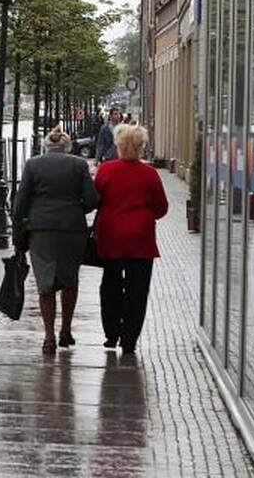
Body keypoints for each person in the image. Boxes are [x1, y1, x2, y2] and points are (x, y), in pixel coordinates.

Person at [12, 129, 100, 354]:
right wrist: (74, 208)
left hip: (41, 232)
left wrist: (19, 234)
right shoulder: (79, 165)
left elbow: (20, 202)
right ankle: (66, 330)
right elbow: (91, 200)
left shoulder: (33, 165)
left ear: (45, 146)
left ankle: (48, 336)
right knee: (70, 280)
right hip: (72, 230)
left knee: (45, 284)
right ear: (67, 146)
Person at [93, 124, 168, 355]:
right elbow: (162, 207)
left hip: (112, 236)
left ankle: (111, 332)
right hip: (140, 239)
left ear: (119, 146)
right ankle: (129, 339)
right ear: (141, 147)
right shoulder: (150, 173)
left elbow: (96, 199)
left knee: (110, 286)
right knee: (138, 290)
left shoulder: (106, 170)